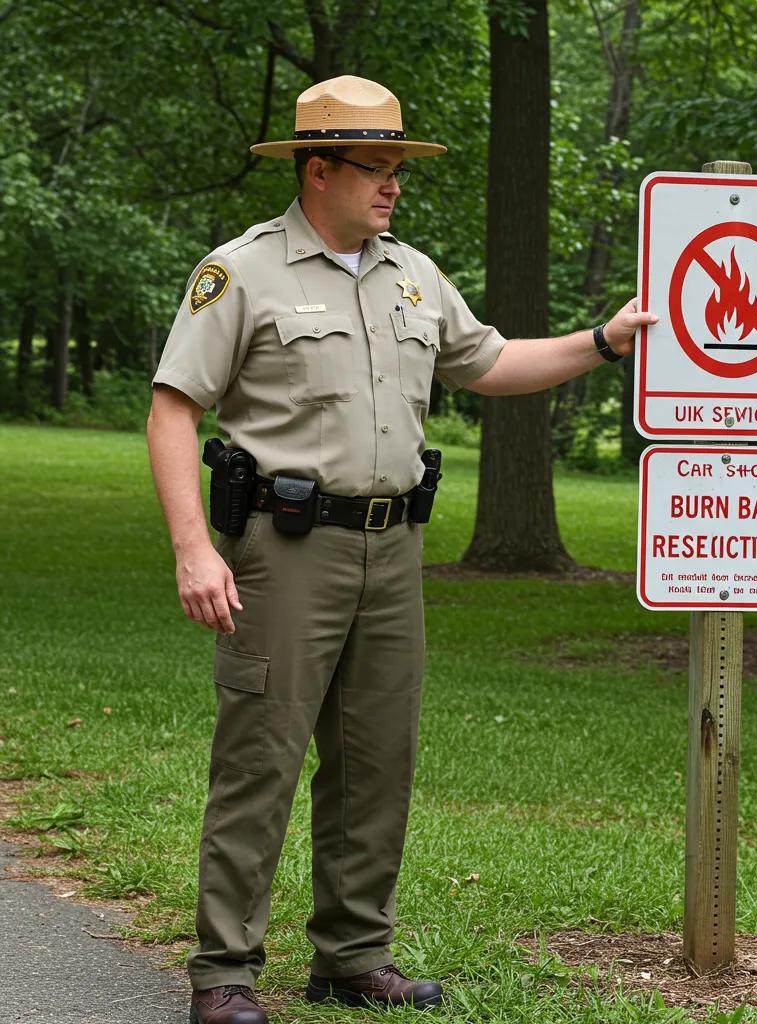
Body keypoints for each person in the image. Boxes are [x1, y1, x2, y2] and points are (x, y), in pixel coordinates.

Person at [147, 74, 656, 1024]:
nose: (394, 187)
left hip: (393, 552)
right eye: (377, 169)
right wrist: (193, 549)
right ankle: (224, 975)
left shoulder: (413, 274)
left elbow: (492, 361)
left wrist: (605, 340)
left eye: (400, 169)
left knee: (378, 758)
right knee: (263, 756)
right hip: (285, 550)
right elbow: (174, 404)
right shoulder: (242, 271)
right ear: (319, 168)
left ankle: (351, 955)